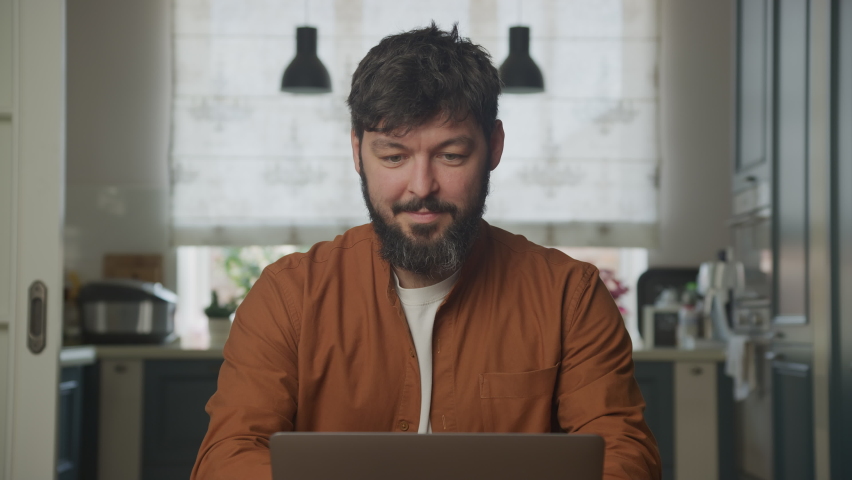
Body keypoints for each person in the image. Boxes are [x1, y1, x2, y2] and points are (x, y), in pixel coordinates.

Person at [192, 23, 661, 480]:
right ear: (357, 151)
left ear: (494, 147)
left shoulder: (569, 297)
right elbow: (227, 457)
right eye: (393, 157)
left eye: (451, 155)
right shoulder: (288, 295)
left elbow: (624, 456)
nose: (421, 187)